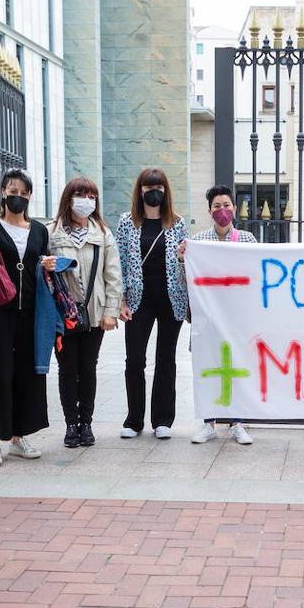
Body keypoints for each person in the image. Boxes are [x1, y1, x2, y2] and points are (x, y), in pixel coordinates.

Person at [44, 177, 123, 448]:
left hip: (94, 312)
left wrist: (110, 311)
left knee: (88, 368)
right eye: (80, 194)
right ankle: (70, 424)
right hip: (62, 313)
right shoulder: (51, 232)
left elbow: (113, 275)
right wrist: (44, 263)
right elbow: (39, 270)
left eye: (91, 196)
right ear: (68, 197)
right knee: (67, 369)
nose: (86, 200)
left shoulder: (102, 233)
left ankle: (86, 423)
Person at [0, 168, 50, 467]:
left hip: (31, 310)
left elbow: (41, 261)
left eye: (23, 192)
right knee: (0, 372)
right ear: (2, 192)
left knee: (28, 372)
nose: (17, 196)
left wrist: (47, 264)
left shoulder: (39, 230)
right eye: (12, 191)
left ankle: (21, 436)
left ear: (30, 195)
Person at [116, 168, 190, 439]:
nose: (154, 192)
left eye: (158, 187)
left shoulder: (177, 222)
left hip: (171, 298)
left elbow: (185, 264)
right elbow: (120, 263)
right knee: (134, 359)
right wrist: (121, 300)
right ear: (140, 191)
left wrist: (183, 257)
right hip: (138, 300)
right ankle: (134, 420)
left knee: (166, 359)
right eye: (148, 187)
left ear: (166, 190)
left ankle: (162, 420)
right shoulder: (127, 222)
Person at [184, 185, 258, 446]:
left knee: (238, 367)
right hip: (209, 320)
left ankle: (238, 423)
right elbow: (188, 277)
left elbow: (256, 274)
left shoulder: (247, 239)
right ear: (209, 211)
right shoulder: (199, 240)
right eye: (217, 206)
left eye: (226, 205)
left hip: (238, 320)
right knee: (208, 367)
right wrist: (184, 258)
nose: (222, 210)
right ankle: (209, 423)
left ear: (235, 209)